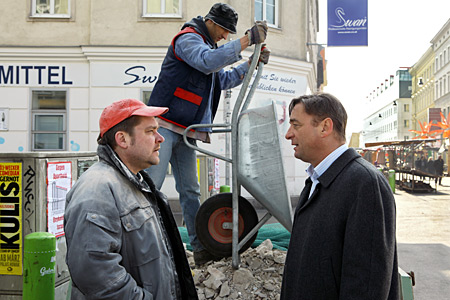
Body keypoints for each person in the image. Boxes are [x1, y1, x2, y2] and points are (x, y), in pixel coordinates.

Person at [146, 3, 269, 265]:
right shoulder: (188, 39)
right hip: (165, 125)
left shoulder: (211, 49)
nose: (225, 37)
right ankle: (142, 248)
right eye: (224, 30)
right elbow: (206, 62)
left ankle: (200, 248)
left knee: (190, 191)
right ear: (210, 22)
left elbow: (221, 81)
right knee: (150, 189)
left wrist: (250, 64)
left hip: (187, 130)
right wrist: (247, 40)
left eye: (230, 33)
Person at [64, 99, 198, 300]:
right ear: (123, 139)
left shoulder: (139, 184)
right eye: (150, 131)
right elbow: (96, 274)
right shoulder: (97, 189)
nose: (160, 138)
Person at [281, 93, 399, 299]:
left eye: (296, 125)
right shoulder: (315, 180)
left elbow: (367, 285)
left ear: (325, 127)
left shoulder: (365, 184)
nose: (288, 134)